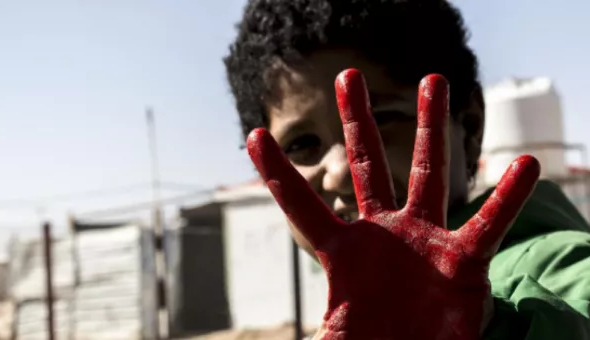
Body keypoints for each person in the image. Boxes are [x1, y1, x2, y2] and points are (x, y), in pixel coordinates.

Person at [223, 0, 590, 338]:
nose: (340, 171)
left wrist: (498, 330)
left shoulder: (559, 262)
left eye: (381, 119)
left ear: (470, 127)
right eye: (301, 144)